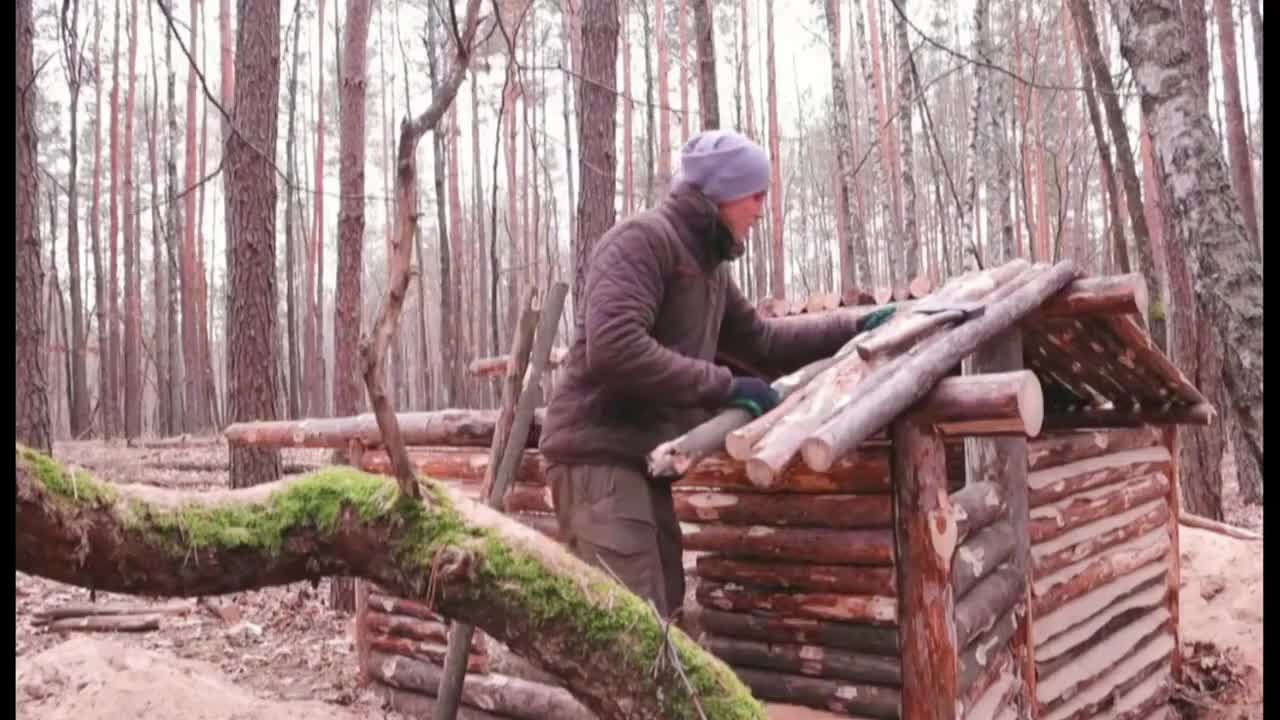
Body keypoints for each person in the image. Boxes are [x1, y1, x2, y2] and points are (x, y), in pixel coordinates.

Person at [538, 129, 893, 618]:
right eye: (756, 195)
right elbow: (615, 348)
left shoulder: (708, 270)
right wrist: (726, 386)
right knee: (633, 634)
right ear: (723, 194)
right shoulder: (643, 242)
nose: (761, 209)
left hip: (639, 462)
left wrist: (857, 327)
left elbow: (764, 344)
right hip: (595, 458)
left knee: (665, 621)